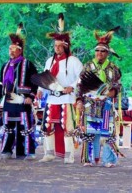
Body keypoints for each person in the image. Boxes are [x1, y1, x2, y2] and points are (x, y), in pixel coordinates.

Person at [37, 13, 83, 164]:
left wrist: (72, 86)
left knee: (67, 127)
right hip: (51, 98)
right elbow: (45, 79)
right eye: (55, 46)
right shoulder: (49, 61)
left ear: (66, 46)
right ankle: (49, 153)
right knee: (48, 126)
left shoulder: (74, 61)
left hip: (67, 99)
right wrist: (40, 90)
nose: (57, 48)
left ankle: (69, 155)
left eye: (59, 46)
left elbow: (82, 77)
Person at [76, 26, 122, 168]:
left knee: (107, 131)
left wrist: (113, 91)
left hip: (106, 104)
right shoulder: (88, 66)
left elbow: (119, 85)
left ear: (107, 52)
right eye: (97, 50)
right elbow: (80, 84)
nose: (99, 53)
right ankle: (89, 158)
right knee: (90, 130)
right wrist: (78, 100)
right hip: (90, 103)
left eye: (102, 51)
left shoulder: (113, 68)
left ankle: (108, 159)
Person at [0, 23, 38, 160]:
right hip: (8, 99)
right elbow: (1, 84)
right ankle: (7, 150)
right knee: (8, 125)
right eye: (10, 48)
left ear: (20, 50)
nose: (11, 51)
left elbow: (35, 82)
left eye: (14, 49)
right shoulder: (5, 66)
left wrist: (31, 96)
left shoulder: (28, 64)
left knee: (24, 126)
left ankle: (25, 151)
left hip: (22, 99)